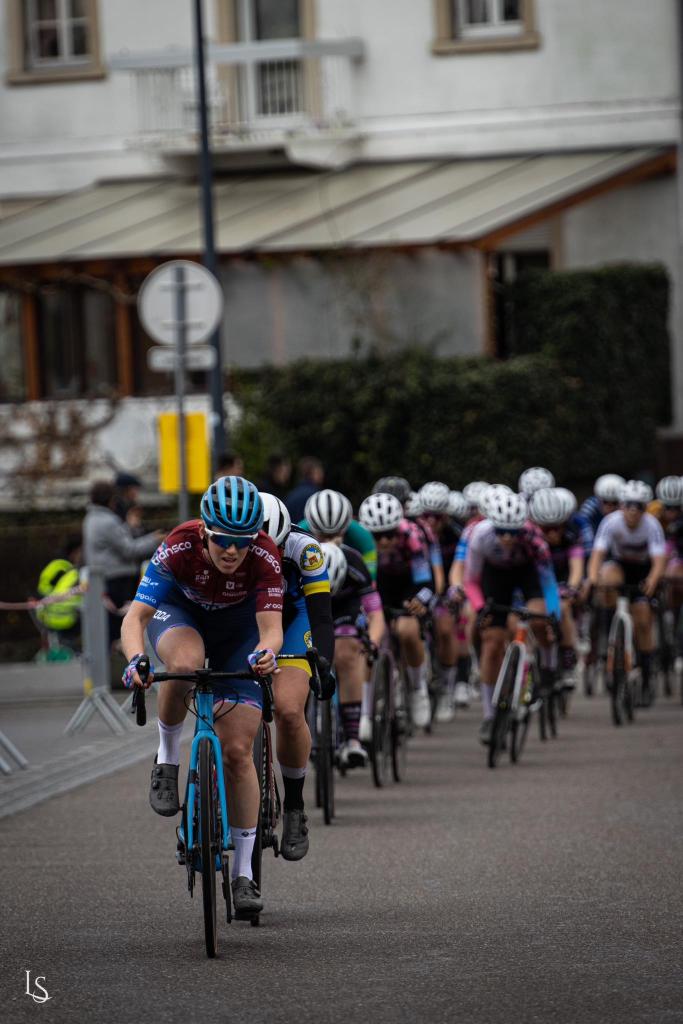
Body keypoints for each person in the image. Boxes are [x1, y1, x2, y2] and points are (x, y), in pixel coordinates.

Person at [120, 476, 283, 919]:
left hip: (238, 632)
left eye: (242, 542)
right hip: (183, 614)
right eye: (223, 541)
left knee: (236, 751)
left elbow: (270, 629)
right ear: (205, 532)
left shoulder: (266, 554)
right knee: (184, 663)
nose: (232, 551)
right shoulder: (177, 545)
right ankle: (168, 758)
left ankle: (244, 874)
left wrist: (267, 655)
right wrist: (136, 660)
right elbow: (135, 618)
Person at [259, 493, 334, 858]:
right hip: (249, 618)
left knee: (289, 709)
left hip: (294, 618)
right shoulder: (231, 546)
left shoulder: (306, 550)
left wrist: (324, 664)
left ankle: (293, 805)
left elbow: (320, 616)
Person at [464, 488, 560, 744]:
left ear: (522, 528)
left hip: (526, 573)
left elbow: (548, 584)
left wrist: (554, 615)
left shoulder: (534, 538)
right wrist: (479, 607)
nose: (507, 537)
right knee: (492, 642)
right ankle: (488, 715)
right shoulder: (480, 535)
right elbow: (471, 581)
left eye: (513, 532)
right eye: (502, 531)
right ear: (493, 526)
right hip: (495, 577)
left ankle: (548, 668)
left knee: (539, 618)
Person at [586, 480, 667, 706]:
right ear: (622, 506)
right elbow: (597, 555)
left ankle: (647, 670)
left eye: (639, 506)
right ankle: (612, 627)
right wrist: (593, 578)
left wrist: (652, 579)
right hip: (619, 567)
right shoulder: (611, 523)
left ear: (645, 508)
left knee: (642, 618)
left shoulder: (651, 525)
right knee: (607, 580)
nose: (633, 511)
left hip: (642, 571)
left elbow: (659, 561)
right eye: (629, 505)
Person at [358, 492, 433, 728]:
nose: (384, 542)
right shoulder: (358, 540)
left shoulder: (412, 535)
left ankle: (418, 688)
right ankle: (365, 714)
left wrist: (420, 600)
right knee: (370, 643)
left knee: (408, 630)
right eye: (377, 536)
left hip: (406, 587)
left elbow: (426, 581)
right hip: (374, 588)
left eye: (389, 535)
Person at [320, 541, 385, 767]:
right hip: (309, 606)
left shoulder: (355, 563)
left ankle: (353, 738)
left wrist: (373, 644)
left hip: (346, 611)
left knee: (347, 651)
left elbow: (376, 614)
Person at [82, 481, 162, 645]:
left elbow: (115, 543)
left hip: (104, 578)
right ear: (110, 499)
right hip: (118, 579)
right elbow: (129, 549)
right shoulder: (108, 521)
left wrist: (130, 528)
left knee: (108, 626)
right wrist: (155, 539)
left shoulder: (91, 518)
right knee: (123, 626)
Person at [528, 487, 590, 689]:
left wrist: (572, 587)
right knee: (536, 617)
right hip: (536, 581)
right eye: (547, 529)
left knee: (563, 608)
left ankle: (568, 656)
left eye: (558, 527)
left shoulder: (571, 535)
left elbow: (576, 567)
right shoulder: (529, 539)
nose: (553, 533)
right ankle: (545, 659)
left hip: (562, 579)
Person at [301, 488, 378, 580]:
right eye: (323, 535)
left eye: (335, 535)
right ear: (311, 529)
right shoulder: (300, 532)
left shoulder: (361, 534)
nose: (329, 542)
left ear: (344, 529)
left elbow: (371, 578)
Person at [36, 535, 83, 650]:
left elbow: (43, 590)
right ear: (75, 552)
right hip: (65, 616)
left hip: (48, 615)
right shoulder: (68, 569)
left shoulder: (58, 565)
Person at [285, 456, 324, 523]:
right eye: (319, 471)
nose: (322, 475)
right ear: (312, 473)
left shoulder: (291, 494)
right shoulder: (316, 495)